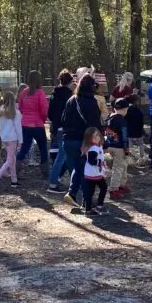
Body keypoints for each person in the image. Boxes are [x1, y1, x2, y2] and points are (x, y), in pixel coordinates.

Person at [58, 74, 101, 206]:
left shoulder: (71, 100)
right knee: (86, 171)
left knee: (76, 169)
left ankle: (73, 195)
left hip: (68, 140)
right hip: (83, 141)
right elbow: (95, 124)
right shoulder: (92, 102)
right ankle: (84, 200)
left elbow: (63, 120)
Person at [16, 71, 49, 171]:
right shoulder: (40, 93)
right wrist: (42, 120)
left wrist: (26, 117)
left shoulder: (24, 92)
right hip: (37, 124)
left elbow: (20, 108)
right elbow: (44, 110)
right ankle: (44, 171)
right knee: (43, 147)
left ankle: (15, 169)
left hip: (25, 124)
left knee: (24, 148)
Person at [46, 71, 74, 186]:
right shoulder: (69, 95)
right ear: (70, 82)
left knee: (66, 155)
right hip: (65, 128)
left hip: (56, 127)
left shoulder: (54, 94)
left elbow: (50, 113)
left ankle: (58, 177)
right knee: (62, 156)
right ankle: (53, 182)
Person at [0, 91, 23, 190]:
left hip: (4, 138)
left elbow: (0, 126)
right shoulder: (16, 112)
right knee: (10, 160)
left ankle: (14, 181)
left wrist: (2, 137)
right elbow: (18, 128)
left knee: (11, 159)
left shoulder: (1, 110)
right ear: (13, 100)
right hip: (12, 138)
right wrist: (20, 141)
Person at [105, 99, 131, 199]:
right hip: (119, 147)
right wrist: (126, 148)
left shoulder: (109, 117)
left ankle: (122, 185)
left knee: (123, 165)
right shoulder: (122, 120)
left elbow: (106, 132)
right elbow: (124, 135)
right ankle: (114, 188)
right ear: (125, 109)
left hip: (110, 145)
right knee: (118, 168)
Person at [80, 127, 108, 216]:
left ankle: (89, 209)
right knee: (101, 188)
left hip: (92, 173)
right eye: (93, 137)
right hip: (94, 174)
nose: (96, 138)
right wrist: (100, 162)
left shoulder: (97, 147)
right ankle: (98, 206)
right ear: (89, 139)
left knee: (92, 191)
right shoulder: (93, 149)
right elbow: (91, 161)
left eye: (97, 135)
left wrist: (103, 163)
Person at [126, 88, 146, 164]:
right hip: (138, 131)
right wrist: (142, 130)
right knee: (141, 144)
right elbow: (142, 122)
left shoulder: (127, 110)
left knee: (130, 145)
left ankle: (130, 159)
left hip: (129, 131)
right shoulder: (139, 111)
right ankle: (141, 158)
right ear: (137, 102)